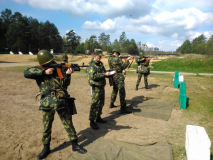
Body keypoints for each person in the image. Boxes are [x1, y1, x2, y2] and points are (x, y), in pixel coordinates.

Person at [24, 50, 87, 160]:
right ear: (44, 63)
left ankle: (75, 145)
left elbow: (64, 85)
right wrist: (44, 72)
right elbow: (26, 72)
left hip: (60, 101)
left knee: (68, 123)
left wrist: (67, 75)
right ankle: (46, 148)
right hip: (47, 103)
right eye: (49, 62)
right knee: (47, 127)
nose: (51, 63)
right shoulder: (39, 71)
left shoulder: (58, 69)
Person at [87, 50, 115, 130]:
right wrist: (104, 74)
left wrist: (110, 73)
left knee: (101, 103)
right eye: (100, 56)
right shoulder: (91, 65)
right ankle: (92, 121)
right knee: (94, 104)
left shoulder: (101, 64)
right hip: (96, 87)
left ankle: (98, 117)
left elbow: (104, 72)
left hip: (102, 86)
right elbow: (93, 76)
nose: (101, 57)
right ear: (95, 55)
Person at [108, 49, 134, 113]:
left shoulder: (109, 59)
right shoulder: (117, 59)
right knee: (122, 92)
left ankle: (111, 103)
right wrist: (128, 60)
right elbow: (123, 67)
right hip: (119, 76)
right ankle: (123, 108)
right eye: (117, 54)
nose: (118, 55)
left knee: (115, 90)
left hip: (113, 75)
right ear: (115, 53)